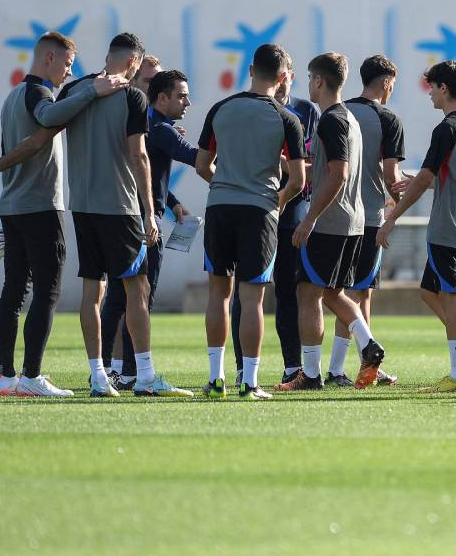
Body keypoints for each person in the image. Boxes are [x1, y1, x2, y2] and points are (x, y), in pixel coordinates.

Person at [0, 32, 128, 397]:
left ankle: (7, 376)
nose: (69, 74)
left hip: (13, 205)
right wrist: (92, 91)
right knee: (46, 291)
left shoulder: (12, 96)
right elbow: (40, 130)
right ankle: (31, 376)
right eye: (68, 65)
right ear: (50, 59)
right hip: (40, 206)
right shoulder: (38, 94)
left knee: (14, 291)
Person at [60, 33, 191, 397]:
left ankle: (99, 376)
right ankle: (144, 376)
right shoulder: (132, 97)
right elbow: (139, 157)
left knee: (93, 290)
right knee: (138, 288)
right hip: (120, 208)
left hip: (82, 206)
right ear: (134, 63)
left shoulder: (76, 91)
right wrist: (150, 213)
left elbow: (46, 127)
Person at [197, 43, 307, 400]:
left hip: (220, 207)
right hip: (259, 211)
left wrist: (227, 184)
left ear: (250, 70)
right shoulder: (287, 118)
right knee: (253, 298)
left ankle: (216, 378)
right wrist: (275, 201)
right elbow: (298, 180)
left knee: (218, 294)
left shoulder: (220, 109)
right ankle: (250, 381)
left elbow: (202, 165)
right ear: (283, 77)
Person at [377, 60, 456, 394]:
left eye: (432, 87)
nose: (429, 93)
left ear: (444, 88)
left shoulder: (447, 128)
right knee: (430, 291)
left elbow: (428, 175)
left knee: (451, 297)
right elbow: (444, 176)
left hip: (447, 227)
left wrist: (392, 217)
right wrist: (417, 182)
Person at [275, 53, 385, 392]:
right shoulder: (347, 118)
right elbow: (331, 169)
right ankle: (368, 345)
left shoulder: (331, 120)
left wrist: (309, 218)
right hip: (352, 221)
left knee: (307, 294)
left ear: (319, 81)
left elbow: (339, 174)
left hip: (330, 223)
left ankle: (309, 375)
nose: (308, 84)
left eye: (309, 78)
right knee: (334, 293)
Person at [100, 66, 204, 388]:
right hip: (145, 223)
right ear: (162, 97)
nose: (188, 102)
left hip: (126, 217)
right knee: (140, 297)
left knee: (120, 297)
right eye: (182, 96)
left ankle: (110, 369)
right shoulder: (160, 128)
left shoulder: (150, 126)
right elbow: (197, 158)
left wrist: (172, 204)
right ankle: (132, 371)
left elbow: (151, 176)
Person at [229, 52, 318, 387]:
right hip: (253, 209)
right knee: (247, 291)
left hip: (292, 213)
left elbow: (313, 167)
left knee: (288, 291)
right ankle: (242, 367)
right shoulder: (244, 108)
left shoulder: (306, 112)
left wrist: (287, 167)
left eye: (288, 76)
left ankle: (292, 366)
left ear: (289, 77)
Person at [341, 54, 409, 386]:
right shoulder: (387, 119)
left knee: (345, 291)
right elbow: (391, 175)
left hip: (335, 215)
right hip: (368, 216)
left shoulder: (341, 111)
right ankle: (349, 367)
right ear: (385, 83)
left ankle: (352, 367)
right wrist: (402, 200)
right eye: (393, 85)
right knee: (360, 292)